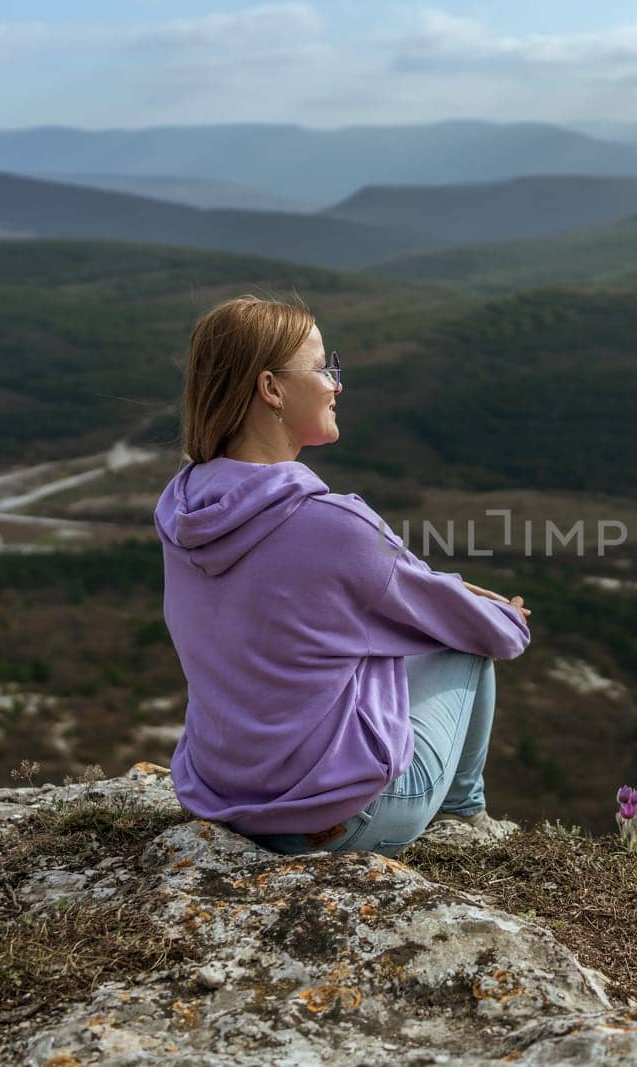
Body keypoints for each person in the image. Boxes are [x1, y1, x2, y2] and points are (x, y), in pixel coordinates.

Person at [153, 294, 532, 857]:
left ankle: (458, 818)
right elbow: (496, 635)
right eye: (323, 367)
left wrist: (433, 587)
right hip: (335, 820)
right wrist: (505, 612)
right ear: (271, 389)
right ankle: (463, 819)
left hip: (224, 797)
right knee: (464, 648)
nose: (336, 383)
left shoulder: (182, 507)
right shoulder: (333, 524)